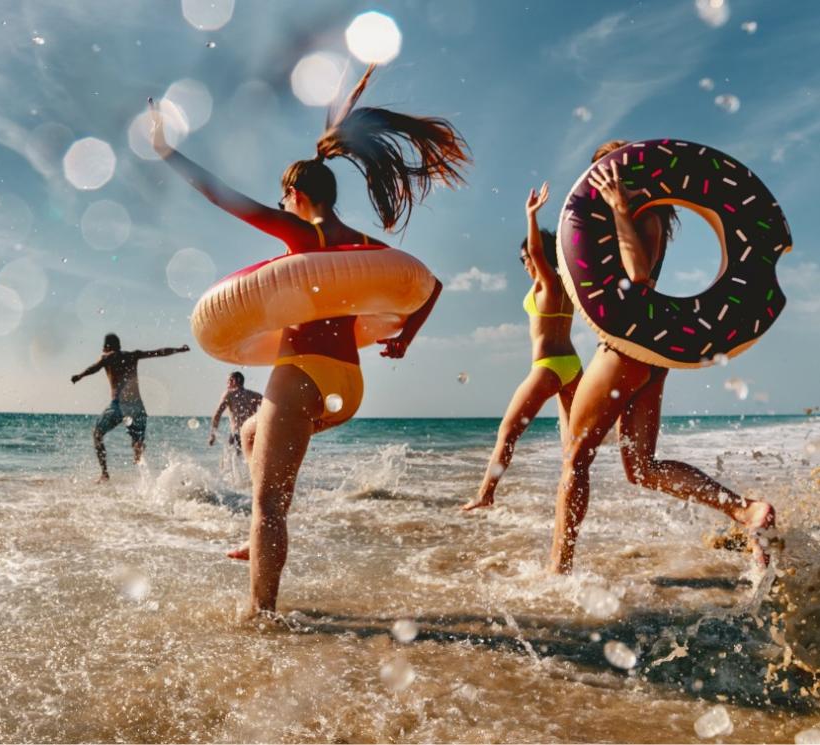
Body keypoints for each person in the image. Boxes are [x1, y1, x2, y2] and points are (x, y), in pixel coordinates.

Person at [150, 64, 469, 616]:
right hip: (347, 384)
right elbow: (431, 285)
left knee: (269, 507)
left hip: (301, 376)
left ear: (295, 195)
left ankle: (260, 614)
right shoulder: (360, 242)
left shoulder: (307, 234)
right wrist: (404, 340)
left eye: (282, 200)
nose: (280, 209)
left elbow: (223, 196)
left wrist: (166, 151)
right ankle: (260, 539)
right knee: (250, 433)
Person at [550, 139, 777, 574]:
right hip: (650, 355)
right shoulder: (644, 219)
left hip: (625, 350)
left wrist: (618, 208)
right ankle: (745, 511)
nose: (600, 186)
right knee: (642, 469)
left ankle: (558, 573)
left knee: (575, 460)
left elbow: (637, 276)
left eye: (608, 176)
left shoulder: (640, 218)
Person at [464, 183, 581, 511]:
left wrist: (531, 216)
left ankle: (485, 495)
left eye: (525, 258)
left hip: (548, 367)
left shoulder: (548, 282)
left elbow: (538, 252)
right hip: (573, 366)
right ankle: (568, 501)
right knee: (570, 449)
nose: (524, 264)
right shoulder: (566, 285)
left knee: (507, 432)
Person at [71, 334, 190, 481]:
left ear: (106, 347)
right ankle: (139, 454)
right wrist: (179, 349)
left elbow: (93, 368)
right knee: (137, 442)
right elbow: (158, 352)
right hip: (137, 407)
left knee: (97, 434)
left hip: (119, 405)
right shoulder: (133, 355)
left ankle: (104, 473)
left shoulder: (107, 358)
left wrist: (80, 376)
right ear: (119, 345)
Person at [209, 371, 263, 453]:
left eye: (228, 382)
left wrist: (212, 434)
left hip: (237, 434)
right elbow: (269, 411)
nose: (227, 385)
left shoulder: (229, 394)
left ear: (233, 380)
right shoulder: (255, 395)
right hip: (253, 434)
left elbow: (218, 413)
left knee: (228, 463)